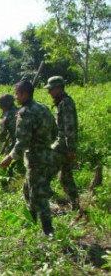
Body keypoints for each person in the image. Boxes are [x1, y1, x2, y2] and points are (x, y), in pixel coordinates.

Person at [0, 81, 57, 235]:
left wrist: (9, 158)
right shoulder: (43, 108)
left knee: (39, 194)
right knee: (28, 190)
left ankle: (48, 230)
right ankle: (31, 220)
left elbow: (22, 142)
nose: (15, 97)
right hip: (47, 155)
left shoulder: (25, 112)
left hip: (36, 158)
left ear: (25, 94)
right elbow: (55, 131)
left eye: (17, 93)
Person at [45, 76, 80, 210]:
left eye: (51, 89)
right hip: (64, 146)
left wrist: (70, 149)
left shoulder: (65, 103)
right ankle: (75, 205)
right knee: (65, 178)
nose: (49, 92)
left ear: (58, 88)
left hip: (62, 147)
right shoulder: (62, 102)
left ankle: (45, 204)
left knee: (44, 173)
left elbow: (69, 127)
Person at [0, 94, 20, 187]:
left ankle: (5, 182)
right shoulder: (19, 110)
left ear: (5, 105)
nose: (1, 108)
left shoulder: (8, 114)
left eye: (1, 106)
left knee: (7, 160)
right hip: (26, 140)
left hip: (16, 141)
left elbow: (2, 134)